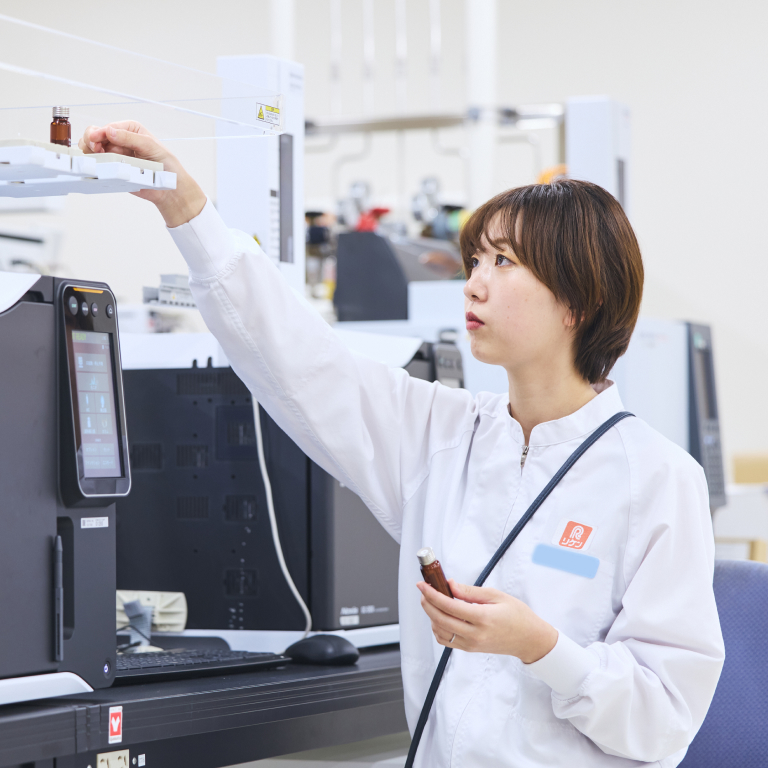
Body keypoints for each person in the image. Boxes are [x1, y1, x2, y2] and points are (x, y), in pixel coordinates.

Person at [80, 122, 724, 767]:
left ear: (579, 302)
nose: (474, 283)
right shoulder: (442, 435)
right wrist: (187, 208)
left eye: (504, 262)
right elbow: (302, 360)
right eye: (475, 261)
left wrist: (541, 647)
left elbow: (665, 719)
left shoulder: (657, 478)